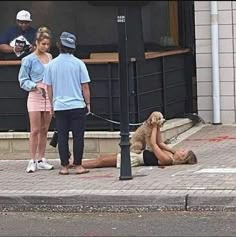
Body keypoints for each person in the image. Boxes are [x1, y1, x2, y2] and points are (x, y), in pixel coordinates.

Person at [43, 31, 91, 175]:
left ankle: (64, 166)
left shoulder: (51, 65)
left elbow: (49, 87)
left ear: (59, 46)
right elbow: (85, 86)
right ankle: (78, 166)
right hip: (77, 105)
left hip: (59, 106)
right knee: (78, 136)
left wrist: (51, 105)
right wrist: (88, 103)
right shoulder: (79, 63)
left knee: (62, 136)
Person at [78, 123, 197, 169]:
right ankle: (77, 163)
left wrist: (154, 127)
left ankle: (77, 164)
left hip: (135, 158)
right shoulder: (171, 153)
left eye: (183, 152)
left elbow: (154, 145)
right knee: (103, 158)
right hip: (136, 153)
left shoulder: (167, 159)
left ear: (182, 159)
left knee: (102, 161)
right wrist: (158, 126)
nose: (180, 150)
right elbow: (160, 142)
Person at [18, 26, 54, 173]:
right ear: (37, 43)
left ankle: (41, 158)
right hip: (35, 94)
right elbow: (22, 79)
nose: (45, 47)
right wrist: (34, 86)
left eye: (47, 44)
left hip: (48, 93)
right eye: (43, 44)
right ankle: (31, 160)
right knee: (35, 130)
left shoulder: (50, 57)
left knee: (45, 129)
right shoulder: (28, 59)